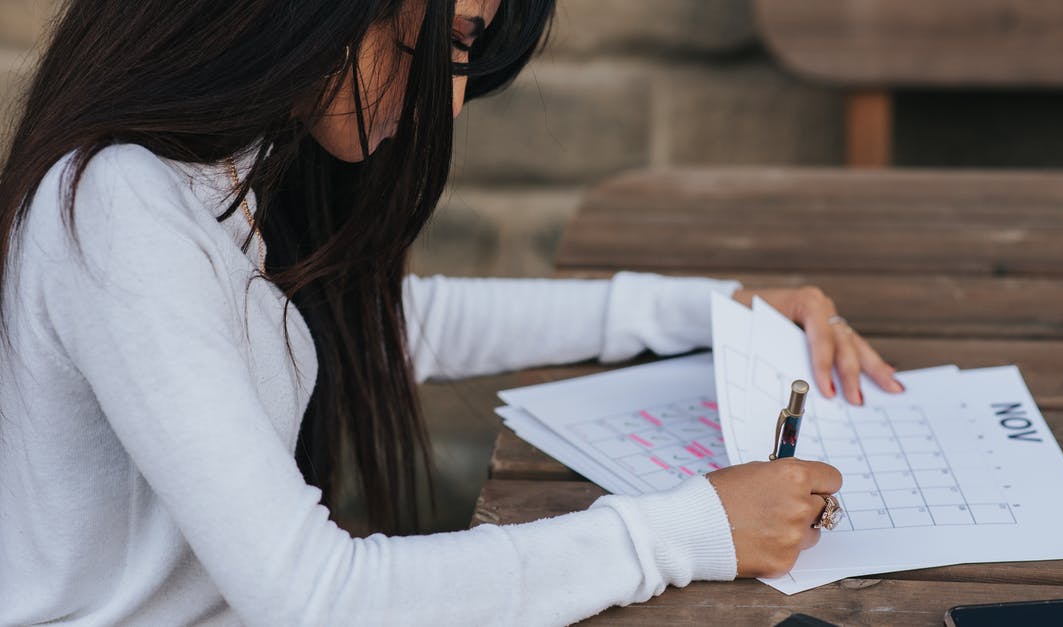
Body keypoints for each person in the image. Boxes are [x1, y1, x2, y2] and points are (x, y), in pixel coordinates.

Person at [0, 0, 905, 624]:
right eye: (454, 39)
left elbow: (379, 323)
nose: (455, 95)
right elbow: (317, 595)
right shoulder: (118, 207)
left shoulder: (226, 165)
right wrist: (691, 530)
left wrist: (703, 312)